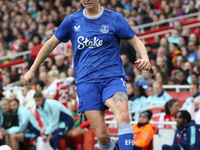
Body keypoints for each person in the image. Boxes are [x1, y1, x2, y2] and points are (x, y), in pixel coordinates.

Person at [23, 1, 151, 149]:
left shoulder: (114, 18)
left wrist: (144, 57)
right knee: (102, 136)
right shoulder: (72, 21)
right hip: (86, 83)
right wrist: (32, 69)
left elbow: (136, 41)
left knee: (123, 114)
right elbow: (50, 44)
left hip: (112, 78)